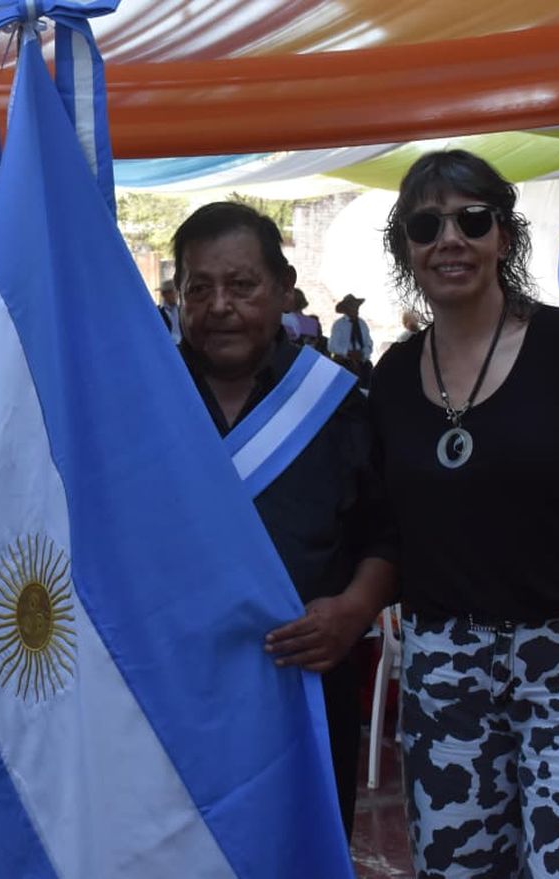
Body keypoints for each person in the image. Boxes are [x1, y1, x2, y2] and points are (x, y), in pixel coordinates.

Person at [372, 149, 559, 877]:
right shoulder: (395, 377)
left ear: (504, 235)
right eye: (426, 223)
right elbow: (379, 527)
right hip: (446, 672)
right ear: (405, 246)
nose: (451, 238)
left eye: (474, 219)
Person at [170, 201, 396, 840]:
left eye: (242, 286)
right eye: (199, 288)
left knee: (301, 848)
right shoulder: (144, 399)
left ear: (283, 287)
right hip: (174, 691)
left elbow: (386, 535)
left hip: (304, 688)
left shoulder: (336, 403)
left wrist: (353, 611)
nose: (220, 306)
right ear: (177, 296)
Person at [328, 294, 373, 386]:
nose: (355, 309)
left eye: (356, 307)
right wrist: (347, 352)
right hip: (344, 361)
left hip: (361, 361)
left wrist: (363, 353)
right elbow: (332, 346)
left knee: (369, 372)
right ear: (346, 310)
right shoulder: (339, 324)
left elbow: (369, 343)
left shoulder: (362, 324)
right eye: (352, 307)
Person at [157, 279, 182, 344]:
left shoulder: (181, 310)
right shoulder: (157, 312)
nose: (176, 295)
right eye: (173, 292)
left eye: (177, 292)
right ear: (164, 294)